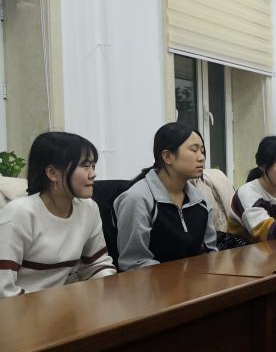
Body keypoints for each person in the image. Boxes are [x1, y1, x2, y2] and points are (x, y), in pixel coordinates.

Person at [0, 132, 116, 297]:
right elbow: (3, 290)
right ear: (52, 173)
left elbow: (97, 264)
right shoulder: (19, 214)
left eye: (93, 166)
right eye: (85, 166)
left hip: (62, 305)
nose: (93, 174)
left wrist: (106, 293)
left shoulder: (88, 208)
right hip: (19, 308)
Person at [114, 122, 217, 271]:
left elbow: (210, 252)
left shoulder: (200, 200)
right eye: (194, 150)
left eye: (202, 151)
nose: (201, 158)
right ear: (167, 156)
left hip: (196, 280)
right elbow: (134, 263)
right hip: (154, 283)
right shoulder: (137, 199)